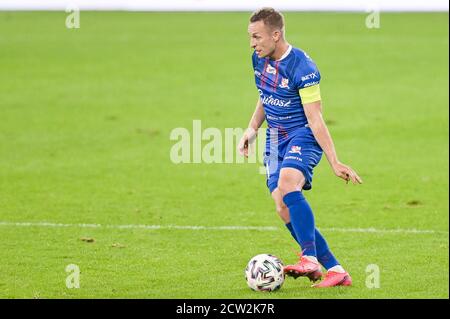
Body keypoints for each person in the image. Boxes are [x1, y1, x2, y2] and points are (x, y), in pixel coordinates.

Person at [238, 7, 363, 288]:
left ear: (276, 34)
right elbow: (265, 96)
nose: (252, 43)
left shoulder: (303, 68)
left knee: (287, 182)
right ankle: (336, 270)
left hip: (302, 134)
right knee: (282, 206)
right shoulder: (258, 60)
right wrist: (252, 128)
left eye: (257, 37)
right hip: (275, 139)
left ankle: (309, 257)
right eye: (250, 37)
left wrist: (334, 161)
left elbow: (315, 117)